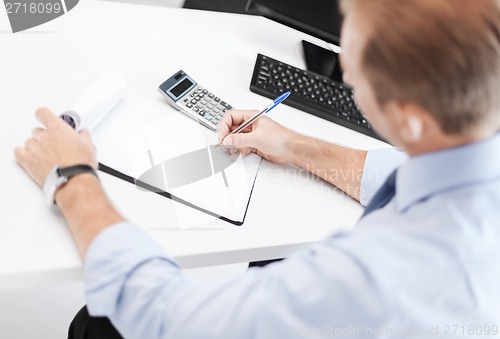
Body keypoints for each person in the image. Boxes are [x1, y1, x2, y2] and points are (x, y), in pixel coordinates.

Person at [14, 0, 500, 338]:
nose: (346, 73)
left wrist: (72, 178)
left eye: (357, 70)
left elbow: (164, 316)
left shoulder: (377, 277)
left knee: (101, 325)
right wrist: (291, 144)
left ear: (409, 118)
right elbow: (394, 168)